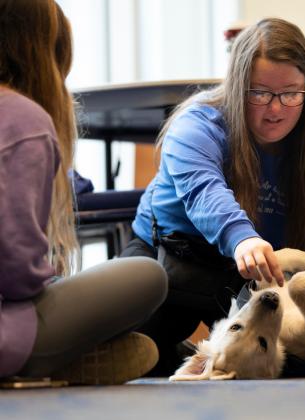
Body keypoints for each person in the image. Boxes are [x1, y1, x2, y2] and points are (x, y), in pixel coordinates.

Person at [121, 17, 305, 376]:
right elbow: (204, 191)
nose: (275, 109)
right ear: (237, 87)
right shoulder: (196, 125)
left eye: (291, 93)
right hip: (175, 260)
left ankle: (199, 355)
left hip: (261, 274)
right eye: (259, 93)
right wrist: (242, 239)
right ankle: (183, 353)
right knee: (137, 350)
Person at [0, 0, 168, 385]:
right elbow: (15, 276)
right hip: (9, 332)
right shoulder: (24, 119)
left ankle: (68, 357)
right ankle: (55, 359)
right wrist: (47, 279)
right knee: (148, 274)